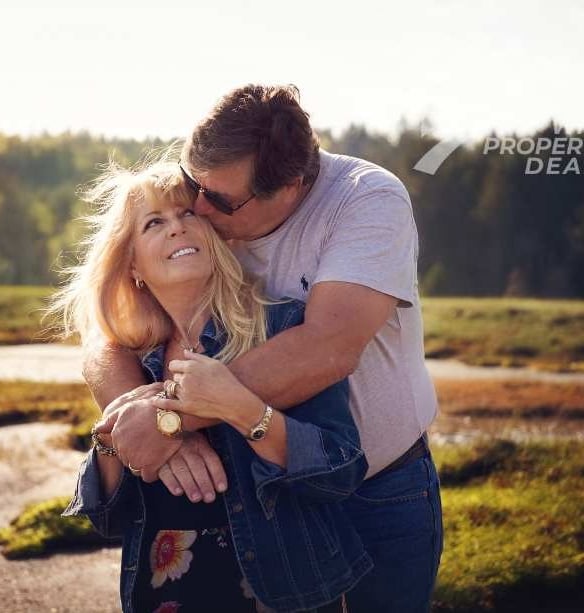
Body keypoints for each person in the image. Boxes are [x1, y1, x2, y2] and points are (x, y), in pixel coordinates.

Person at [85, 85, 444, 612]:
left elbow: (327, 348)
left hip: (377, 486)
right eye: (191, 185)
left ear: (291, 187)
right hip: (259, 497)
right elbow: (106, 336)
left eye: (220, 201)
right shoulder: (210, 200)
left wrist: (171, 416)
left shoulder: (366, 200)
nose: (198, 209)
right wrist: (155, 426)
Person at [51, 161, 372, 612]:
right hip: (166, 590)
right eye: (154, 223)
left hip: (280, 590)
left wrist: (243, 410)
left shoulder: (282, 325)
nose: (177, 229)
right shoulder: (135, 360)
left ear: (215, 235)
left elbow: (340, 470)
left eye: (188, 215)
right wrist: (113, 442)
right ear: (133, 264)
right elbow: (108, 518)